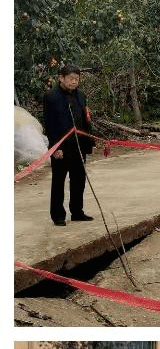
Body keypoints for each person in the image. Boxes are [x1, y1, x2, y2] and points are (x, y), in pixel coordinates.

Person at [43, 64, 95, 227]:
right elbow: (49, 124)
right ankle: (58, 215)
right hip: (61, 146)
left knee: (79, 179)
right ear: (61, 78)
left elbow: (85, 119)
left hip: (79, 144)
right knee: (59, 180)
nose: (74, 82)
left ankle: (77, 212)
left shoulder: (81, 95)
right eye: (70, 79)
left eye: (77, 79)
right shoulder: (51, 97)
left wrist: (90, 140)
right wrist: (54, 147)